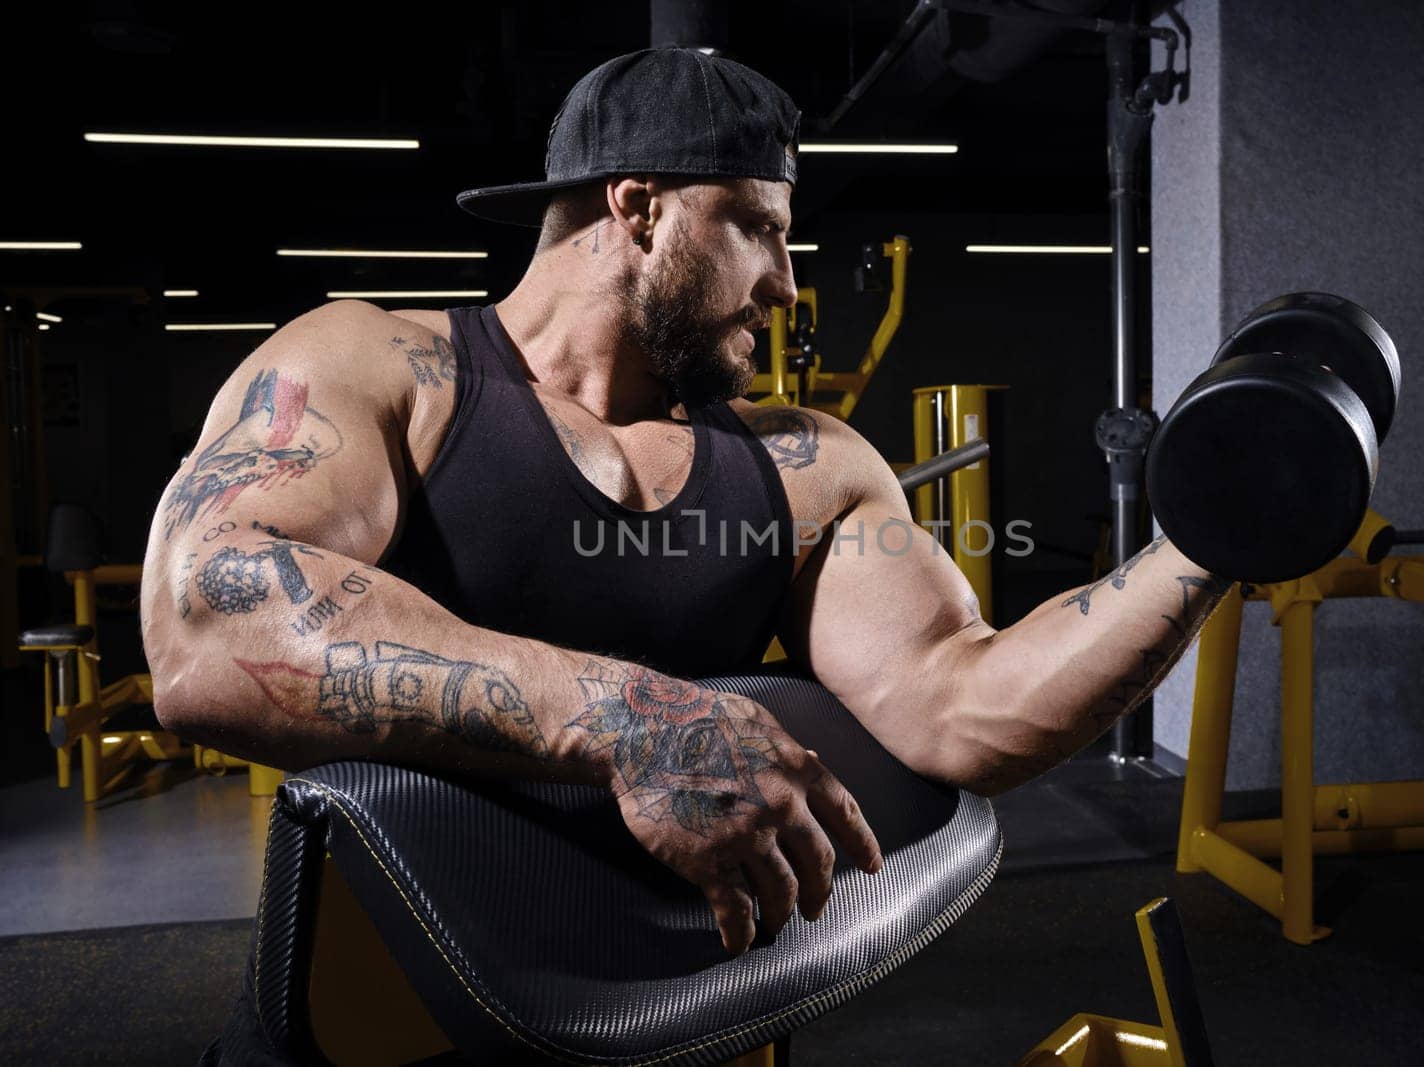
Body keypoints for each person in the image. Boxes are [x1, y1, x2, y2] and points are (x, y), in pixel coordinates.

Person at [141, 47, 1230, 966]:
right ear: (641, 207)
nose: (789, 282)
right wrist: (629, 721)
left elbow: (966, 705)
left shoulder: (808, 463)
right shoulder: (381, 367)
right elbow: (205, 621)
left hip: (693, 995)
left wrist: (1209, 538)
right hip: (409, 1000)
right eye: (760, 226)